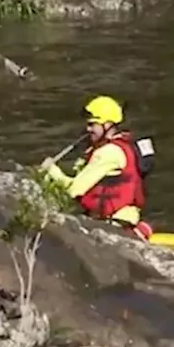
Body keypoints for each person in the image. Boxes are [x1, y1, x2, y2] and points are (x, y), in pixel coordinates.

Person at [40, 95, 155, 239]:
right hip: (127, 219)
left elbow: (73, 190)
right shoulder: (122, 146)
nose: (88, 129)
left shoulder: (107, 152)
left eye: (92, 124)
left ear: (107, 125)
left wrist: (51, 171)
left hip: (113, 225)